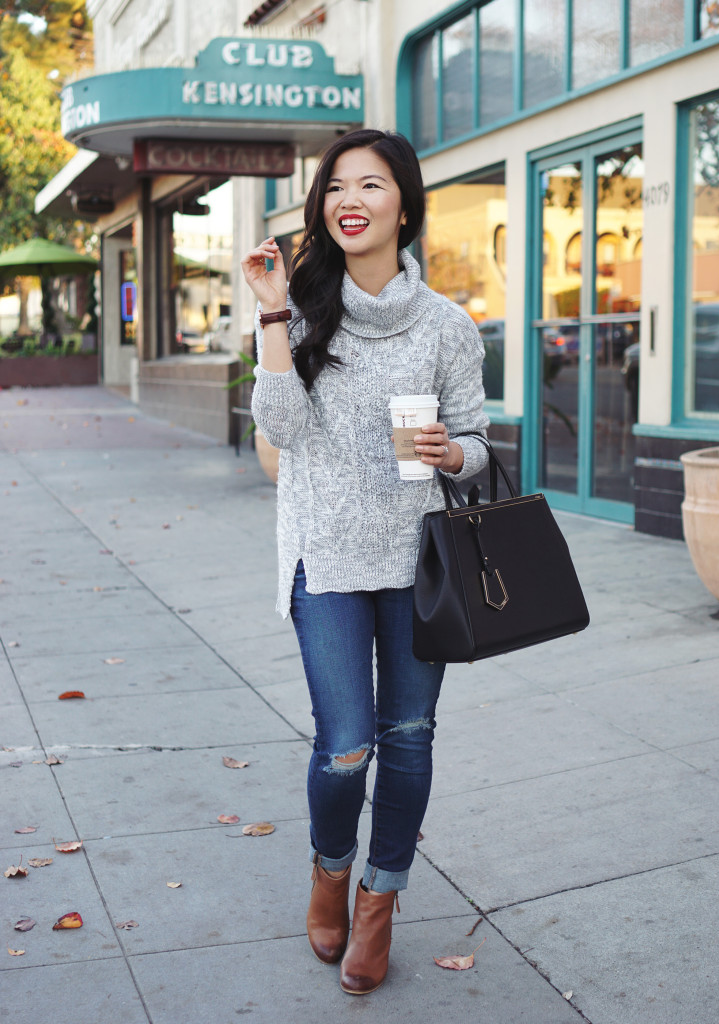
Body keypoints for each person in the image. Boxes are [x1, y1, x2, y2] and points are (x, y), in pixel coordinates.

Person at [241, 128, 490, 995]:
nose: (350, 199)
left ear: (404, 208)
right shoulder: (300, 312)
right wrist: (272, 312)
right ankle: (330, 870)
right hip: (327, 558)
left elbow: (477, 441)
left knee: (409, 739)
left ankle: (379, 901)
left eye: (371, 184)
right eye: (337, 187)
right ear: (323, 209)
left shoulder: (448, 326)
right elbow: (280, 430)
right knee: (346, 748)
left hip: (420, 561)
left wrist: (454, 453)